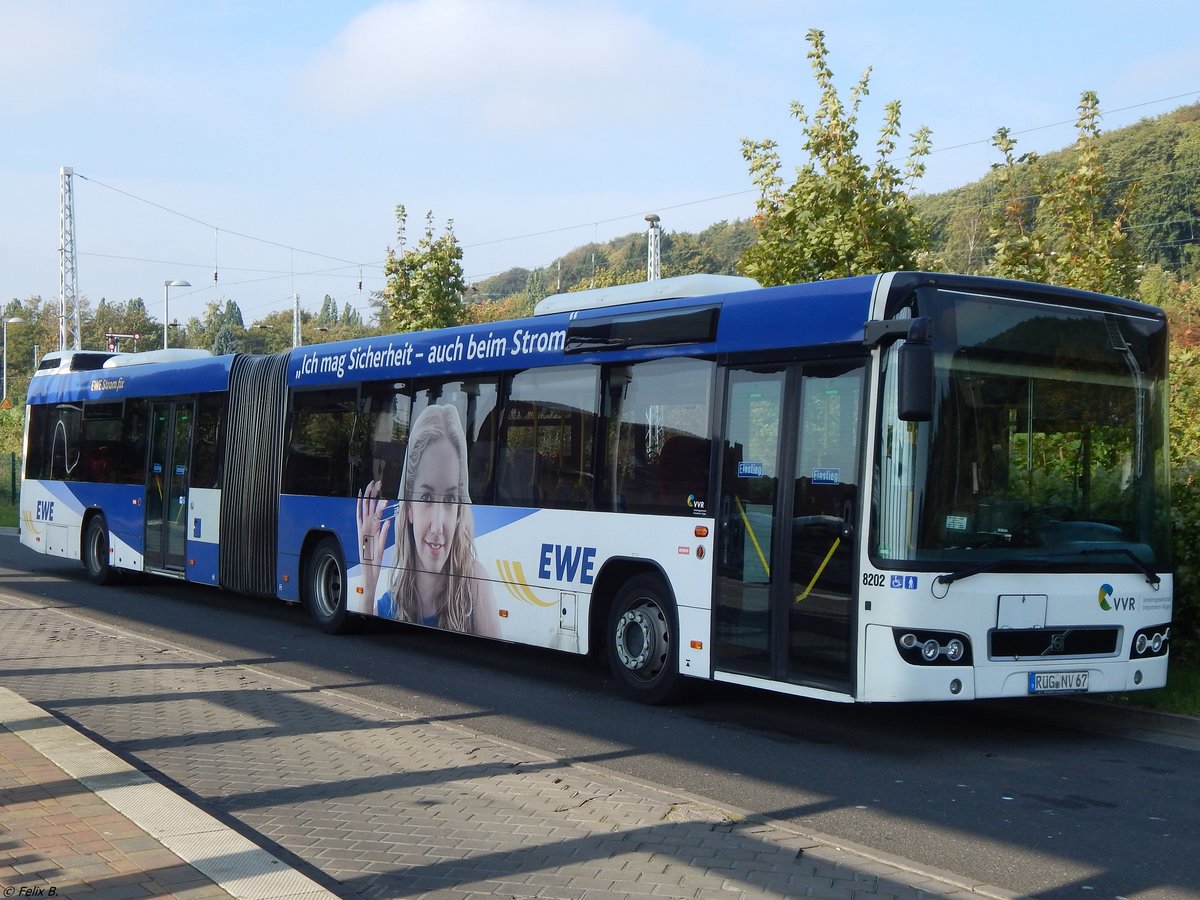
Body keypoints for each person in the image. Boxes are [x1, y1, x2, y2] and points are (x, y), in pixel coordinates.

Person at [356, 403, 498, 638]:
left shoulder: (474, 582)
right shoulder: (389, 605)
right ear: (409, 507)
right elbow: (362, 650)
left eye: (450, 499)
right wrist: (368, 586)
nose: (437, 526)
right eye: (426, 497)